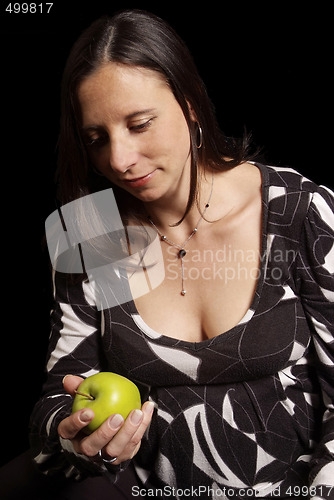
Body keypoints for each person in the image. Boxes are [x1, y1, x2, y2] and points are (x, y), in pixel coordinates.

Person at [29, 8, 334, 500]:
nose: (119, 160)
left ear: (190, 104)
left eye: (140, 123)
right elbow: (54, 408)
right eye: (96, 139)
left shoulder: (296, 211)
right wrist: (77, 440)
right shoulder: (94, 233)